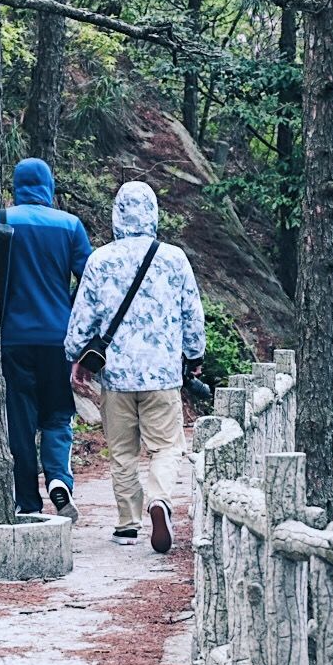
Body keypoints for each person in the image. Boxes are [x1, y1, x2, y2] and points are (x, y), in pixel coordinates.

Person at [64, 181, 205, 552]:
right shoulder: (174, 258)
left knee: (123, 451)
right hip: (162, 375)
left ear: (116, 215)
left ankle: (128, 522)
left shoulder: (99, 260)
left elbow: (82, 318)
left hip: (116, 376)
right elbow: (192, 313)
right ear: (154, 213)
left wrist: (76, 356)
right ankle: (160, 500)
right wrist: (195, 356)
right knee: (166, 447)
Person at [0, 158, 91, 518]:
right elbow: (89, 275)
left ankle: (27, 502)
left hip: (13, 338)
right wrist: (69, 307)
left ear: (17, 184)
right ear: (49, 185)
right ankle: (58, 480)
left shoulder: (0, 220)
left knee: (20, 420)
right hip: (58, 337)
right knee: (57, 414)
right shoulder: (70, 226)